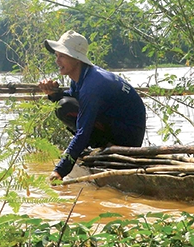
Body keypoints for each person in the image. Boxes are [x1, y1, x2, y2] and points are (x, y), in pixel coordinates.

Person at [39, 30, 146, 183]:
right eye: (56, 56)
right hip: (116, 125)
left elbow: (83, 131)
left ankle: (108, 147)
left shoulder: (92, 84)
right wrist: (53, 93)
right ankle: (101, 147)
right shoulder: (81, 77)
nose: (57, 61)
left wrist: (59, 171)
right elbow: (75, 96)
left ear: (76, 59)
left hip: (128, 138)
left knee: (65, 106)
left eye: (62, 56)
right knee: (62, 105)